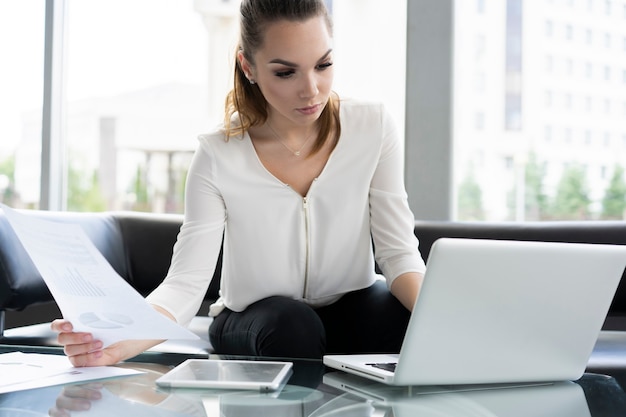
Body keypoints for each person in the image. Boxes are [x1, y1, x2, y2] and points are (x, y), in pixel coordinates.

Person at [51, 0, 426, 367]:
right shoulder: (218, 154)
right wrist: (116, 341)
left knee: (403, 312)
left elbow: (399, 254)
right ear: (249, 66)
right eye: (285, 72)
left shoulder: (372, 127)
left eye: (323, 64)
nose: (311, 89)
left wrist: (456, 322)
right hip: (256, 320)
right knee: (293, 325)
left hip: (350, 308)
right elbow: (185, 285)